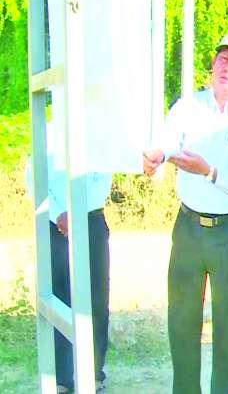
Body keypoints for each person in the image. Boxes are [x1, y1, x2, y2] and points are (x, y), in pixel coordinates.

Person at [143, 34, 228, 394]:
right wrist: (156, 156)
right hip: (189, 227)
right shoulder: (188, 107)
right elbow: (167, 142)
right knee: (182, 321)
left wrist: (210, 171)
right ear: (212, 65)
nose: (227, 68)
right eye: (222, 60)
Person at [28, 139, 112, 394]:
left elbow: (102, 180)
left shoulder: (98, 138)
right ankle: (63, 378)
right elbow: (33, 177)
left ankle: (93, 374)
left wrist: (77, 213)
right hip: (55, 226)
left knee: (96, 299)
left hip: (90, 221)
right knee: (58, 298)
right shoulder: (47, 137)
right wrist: (59, 214)